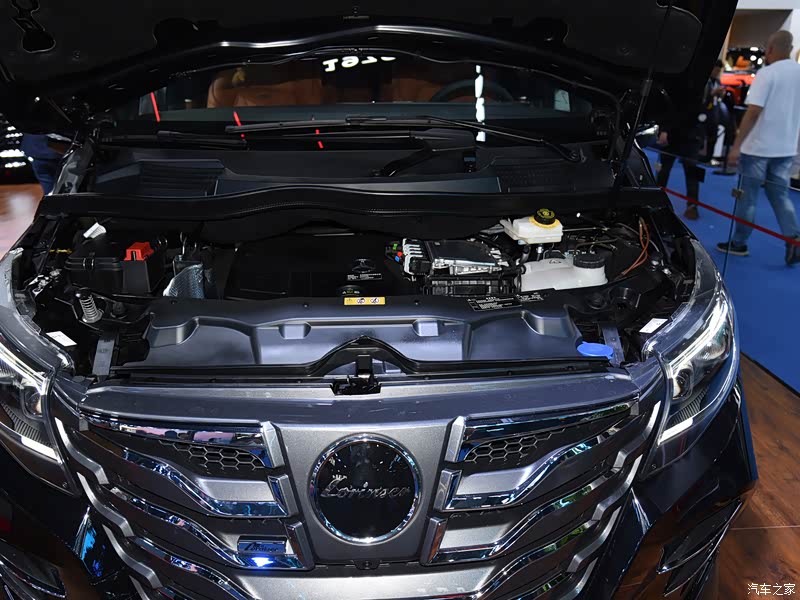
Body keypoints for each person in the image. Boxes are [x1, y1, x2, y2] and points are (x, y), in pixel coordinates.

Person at [719, 31, 800, 265]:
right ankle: (794, 241)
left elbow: (753, 112)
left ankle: (739, 243)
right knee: (780, 196)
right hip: (785, 148)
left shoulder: (767, 73)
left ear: (771, 48)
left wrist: (736, 146)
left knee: (748, 197)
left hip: (757, 149)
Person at [656, 62, 724, 220]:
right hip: (673, 133)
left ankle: (692, 205)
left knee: (692, 173)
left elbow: (708, 112)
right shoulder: (682, 80)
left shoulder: (712, 84)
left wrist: (706, 137)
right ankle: (656, 200)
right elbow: (669, 106)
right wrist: (664, 129)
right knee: (664, 170)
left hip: (693, 135)